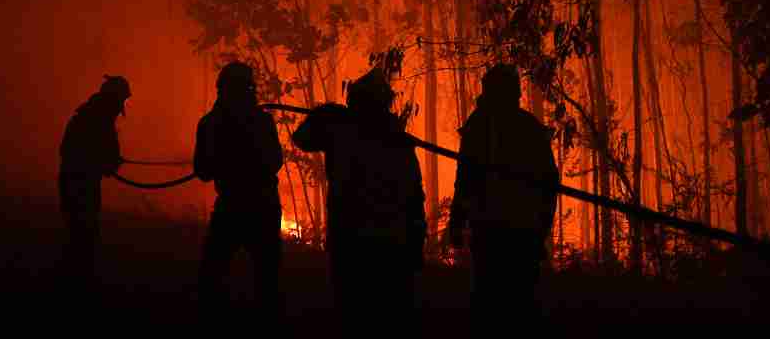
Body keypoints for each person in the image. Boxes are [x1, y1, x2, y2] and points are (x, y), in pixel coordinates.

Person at [292, 66, 426, 329]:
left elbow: (303, 137)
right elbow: (414, 194)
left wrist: (325, 114)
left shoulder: (345, 131)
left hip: (359, 237)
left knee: (357, 311)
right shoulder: (382, 135)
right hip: (381, 238)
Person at [449, 63, 558, 323]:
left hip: (511, 232)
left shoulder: (488, 126)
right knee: (506, 303)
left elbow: (547, 183)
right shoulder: (516, 127)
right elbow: (465, 178)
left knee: (503, 303)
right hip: (501, 231)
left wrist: (457, 221)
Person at [194, 61, 284, 314]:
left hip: (233, 207)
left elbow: (202, 171)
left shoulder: (210, 124)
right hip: (262, 206)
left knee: (213, 273)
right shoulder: (262, 122)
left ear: (221, 89)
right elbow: (275, 161)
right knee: (267, 277)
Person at [58, 74, 129, 292]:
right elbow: (71, 152)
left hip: (82, 182)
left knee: (83, 233)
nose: (121, 108)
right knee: (82, 233)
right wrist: (102, 162)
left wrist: (106, 162)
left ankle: (78, 280)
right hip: (78, 184)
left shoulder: (95, 117)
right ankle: (78, 283)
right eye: (121, 101)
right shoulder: (93, 119)